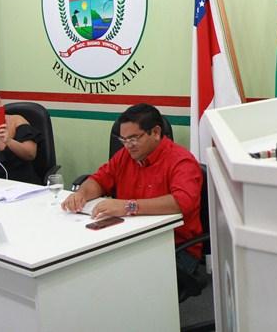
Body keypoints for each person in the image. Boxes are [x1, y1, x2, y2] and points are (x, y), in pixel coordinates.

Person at [62, 104, 204, 272]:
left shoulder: (181, 161)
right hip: (128, 238)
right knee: (86, 266)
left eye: (134, 138)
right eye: (123, 140)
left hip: (173, 246)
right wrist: (81, 194)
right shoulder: (125, 156)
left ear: (156, 132)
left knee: (113, 275)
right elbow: (99, 180)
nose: (128, 145)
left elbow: (183, 202)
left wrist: (128, 206)